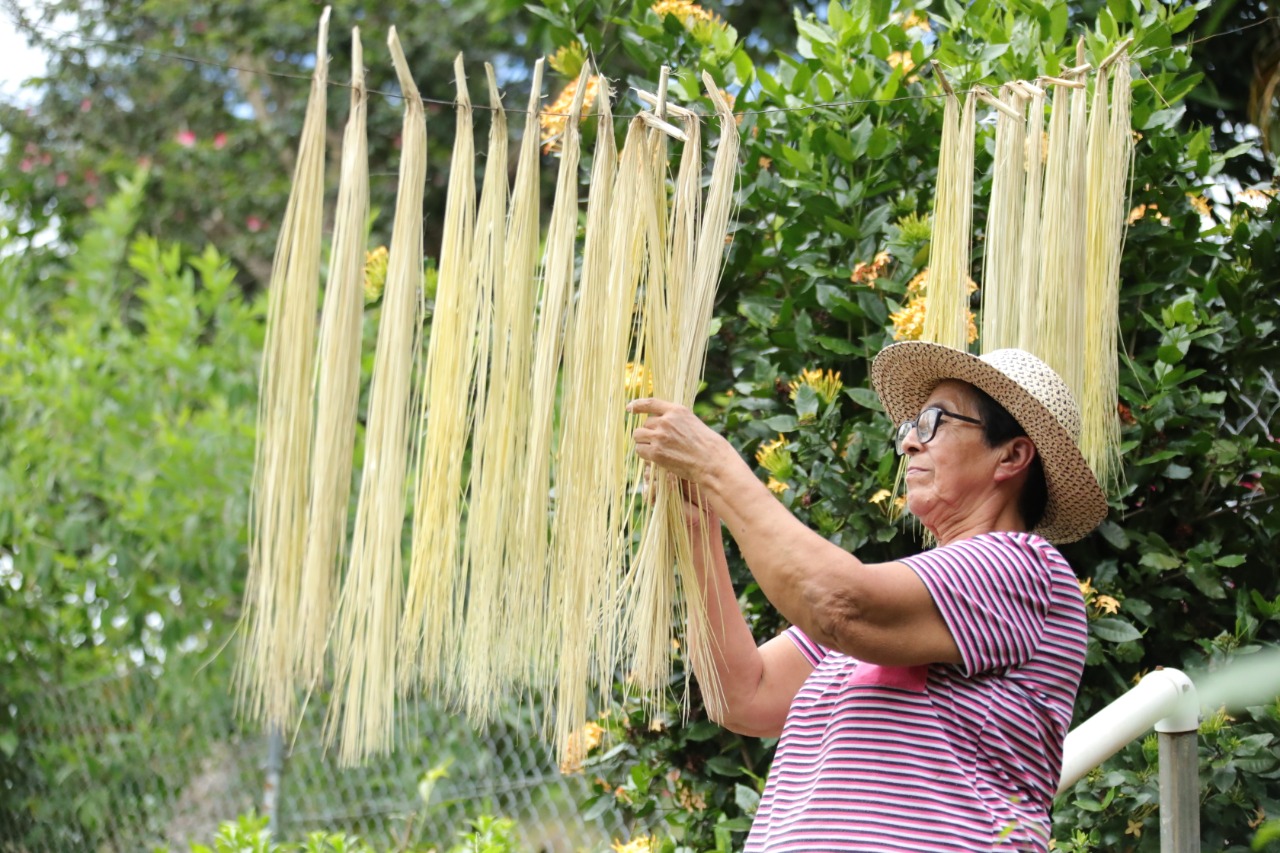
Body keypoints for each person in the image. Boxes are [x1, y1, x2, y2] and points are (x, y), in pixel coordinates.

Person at [628, 342, 1108, 852]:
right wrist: (699, 529)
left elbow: (839, 604)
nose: (908, 445)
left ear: (1011, 455)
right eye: (910, 428)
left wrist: (716, 466)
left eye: (934, 423)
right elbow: (744, 696)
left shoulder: (1024, 566)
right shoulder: (908, 606)